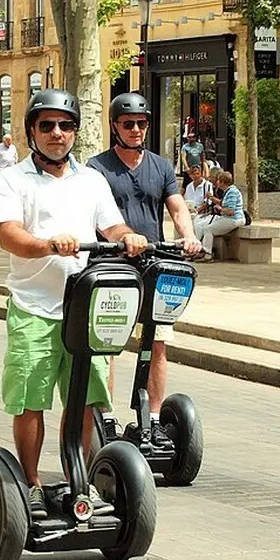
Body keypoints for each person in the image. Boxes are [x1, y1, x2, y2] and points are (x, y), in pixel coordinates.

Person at [0, 89, 148, 520]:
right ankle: (31, 483)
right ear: (31, 131)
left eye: (65, 125)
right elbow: (9, 235)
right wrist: (46, 245)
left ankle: (76, 480)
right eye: (47, 125)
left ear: (75, 131)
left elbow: (111, 224)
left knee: (86, 402)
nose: (57, 133)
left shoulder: (91, 179)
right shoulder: (12, 180)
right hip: (33, 306)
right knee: (30, 400)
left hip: (84, 307)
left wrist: (126, 236)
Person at [88, 92, 201, 425]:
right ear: (114, 127)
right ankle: (104, 417)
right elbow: (94, 215)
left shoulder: (161, 166)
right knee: (108, 344)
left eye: (141, 123)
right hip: (112, 265)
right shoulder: (98, 168)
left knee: (158, 343)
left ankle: (152, 417)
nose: (136, 129)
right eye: (128, 124)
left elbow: (177, 207)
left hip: (153, 265)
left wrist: (190, 236)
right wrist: (121, 239)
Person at [194, 169, 246, 259]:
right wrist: (211, 198)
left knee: (208, 229)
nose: (216, 182)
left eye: (218, 180)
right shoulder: (228, 191)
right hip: (228, 217)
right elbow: (222, 203)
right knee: (202, 224)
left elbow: (231, 211)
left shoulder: (232, 192)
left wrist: (220, 209)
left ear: (222, 182)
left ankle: (207, 254)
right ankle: (199, 249)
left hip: (234, 219)